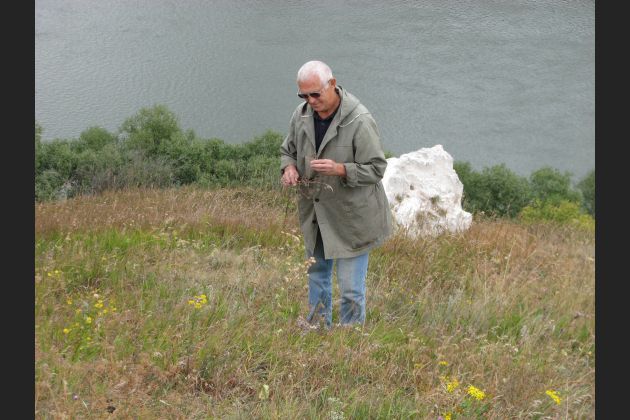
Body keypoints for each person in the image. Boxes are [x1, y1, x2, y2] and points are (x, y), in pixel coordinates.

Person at [280, 60, 392, 328]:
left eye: (315, 94)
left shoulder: (359, 120)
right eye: (303, 95)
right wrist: (289, 168)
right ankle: (318, 328)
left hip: (352, 218)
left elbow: (377, 169)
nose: (310, 101)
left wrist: (340, 169)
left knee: (351, 288)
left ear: (332, 84)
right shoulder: (301, 115)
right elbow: (287, 150)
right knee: (317, 276)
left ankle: (349, 340)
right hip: (316, 214)